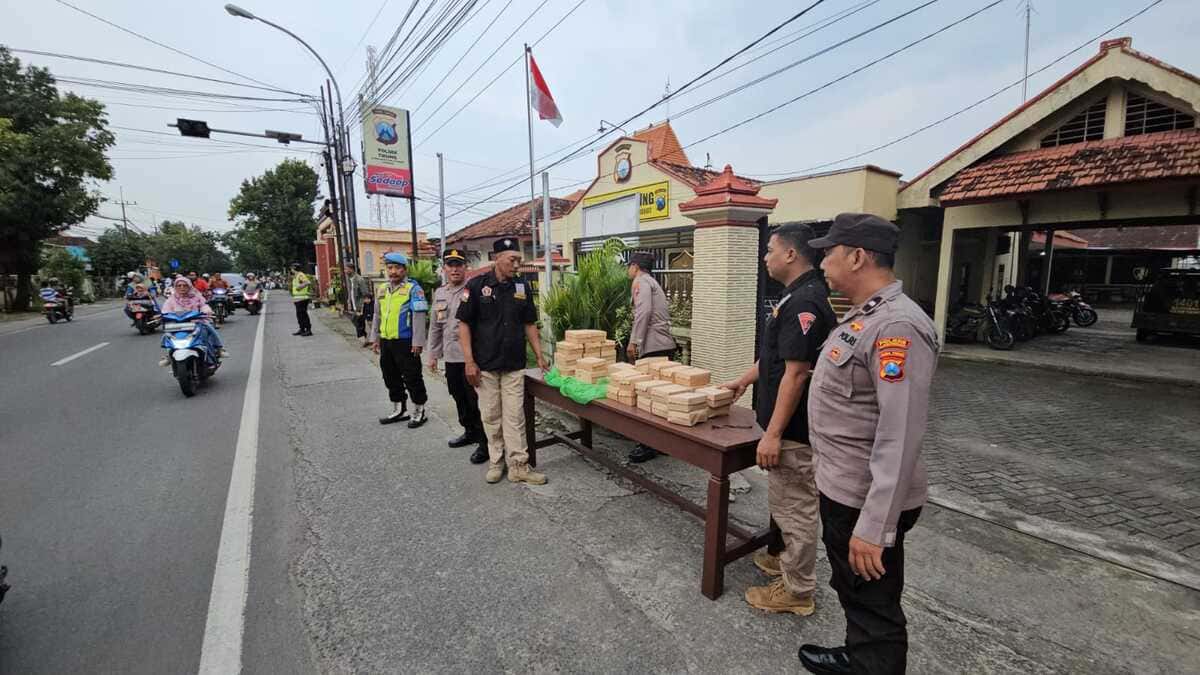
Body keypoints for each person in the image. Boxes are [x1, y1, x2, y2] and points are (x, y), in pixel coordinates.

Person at [797, 213, 937, 675]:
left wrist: (875, 527)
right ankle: (860, 656)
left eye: (829, 254)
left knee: (873, 602)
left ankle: (872, 661)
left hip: (865, 500)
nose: (822, 265)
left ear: (857, 257)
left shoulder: (897, 327)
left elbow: (900, 435)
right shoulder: (866, 317)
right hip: (845, 489)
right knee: (856, 591)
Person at [722, 224, 835, 617]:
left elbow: (797, 373)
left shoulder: (805, 301)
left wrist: (772, 435)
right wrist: (741, 381)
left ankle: (797, 590)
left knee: (795, 507)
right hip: (784, 426)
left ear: (790, 254)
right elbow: (776, 359)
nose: (765, 257)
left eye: (770, 250)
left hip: (794, 431)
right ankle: (784, 559)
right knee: (784, 503)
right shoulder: (794, 296)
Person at [456, 238, 549, 486]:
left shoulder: (522, 287)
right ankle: (497, 462)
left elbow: (529, 323)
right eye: (512, 259)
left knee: (515, 417)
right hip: (485, 365)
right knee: (491, 416)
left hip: (513, 364)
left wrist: (539, 354)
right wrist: (469, 362)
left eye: (519, 259)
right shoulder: (475, 286)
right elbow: (463, 325)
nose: (517, 264)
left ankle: (519, 466)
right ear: (495, 258)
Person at [427, 248, 488, 464]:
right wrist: (432, 354)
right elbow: (435, 326)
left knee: (475, 400)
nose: (454, 269)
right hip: (450, 357)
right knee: (458, 396)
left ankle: (485, 443)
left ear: (465, 268)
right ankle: (469, 431)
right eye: (450, 265)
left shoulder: (474, 290)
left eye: (458, 264)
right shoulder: (440, 293)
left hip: (471, 357)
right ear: (444, 268)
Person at [624, 251, 677, 463]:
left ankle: (647, 445)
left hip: (653, 346)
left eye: (629, 266)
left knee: (648, 398)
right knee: (661, 397)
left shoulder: (641, 282)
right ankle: (661, 443)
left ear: (635, 266)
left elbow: (643, 313)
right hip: (663, 345)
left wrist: (634, 341)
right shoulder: (652, 282)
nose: (628, 270)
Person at [369, 252, 430, 428]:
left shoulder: (413, 289)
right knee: (390, 375)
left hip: (406, 342)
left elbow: (419, 316)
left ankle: (419, 410)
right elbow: (377, 315)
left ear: (404, 270)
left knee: (412, 377)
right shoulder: (382, 289)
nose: (393, 271)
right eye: (390, 268)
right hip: (387, 341)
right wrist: (375, 338)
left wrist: (418, 342)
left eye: (397, 268)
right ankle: (399, 408)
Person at [160, 276, 227, 364]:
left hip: (196, 323)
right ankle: (169, 355)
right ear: (175, 287)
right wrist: (163, 315)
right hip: (177, 325)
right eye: (179, 286)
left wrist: (206, 311)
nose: (182, 287)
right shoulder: (171, 299)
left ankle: (219, 348)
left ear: (189, 286)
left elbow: (204, 305)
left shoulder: (196, 296)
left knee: (209, 328)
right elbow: (165, 310)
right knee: (167, 335)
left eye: (185, 285)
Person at [346, 262, 374, 347]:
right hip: (354, 305)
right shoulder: (349, 279)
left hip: (360, 305)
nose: (345, 271)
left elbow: (365, 293)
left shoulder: (359, 279)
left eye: (346, 269)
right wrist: (349, 301)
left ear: (351, 269)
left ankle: (364, 339)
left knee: (359, 322)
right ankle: (365, 338)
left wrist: (363, 306)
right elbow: (350, 291)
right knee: (357, 321)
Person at [290, 262, 313, 337]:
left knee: (303, 315)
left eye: (292, 268)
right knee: (299, 315)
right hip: (298, 299)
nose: (291, 269)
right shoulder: (296, 276)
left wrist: (300, 287)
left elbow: (307, 282)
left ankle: (308, 330)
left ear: (294, 268)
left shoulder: (300, 275)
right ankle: (302, 329)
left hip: (302, 299)